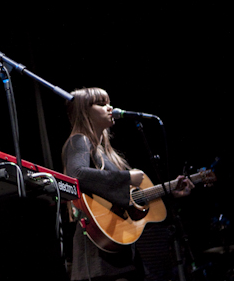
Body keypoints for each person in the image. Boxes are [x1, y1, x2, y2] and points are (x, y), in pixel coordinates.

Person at [62, 87, 194, 281]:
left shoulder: (105, 153)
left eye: (108, 102)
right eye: (101, 104)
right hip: (99, 256)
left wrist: (170, 191)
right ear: (84, 112)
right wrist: (127, 178)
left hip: (121, 254)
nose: (110, 107)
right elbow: (77, 175)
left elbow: (129, 200)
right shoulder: (79, 140)